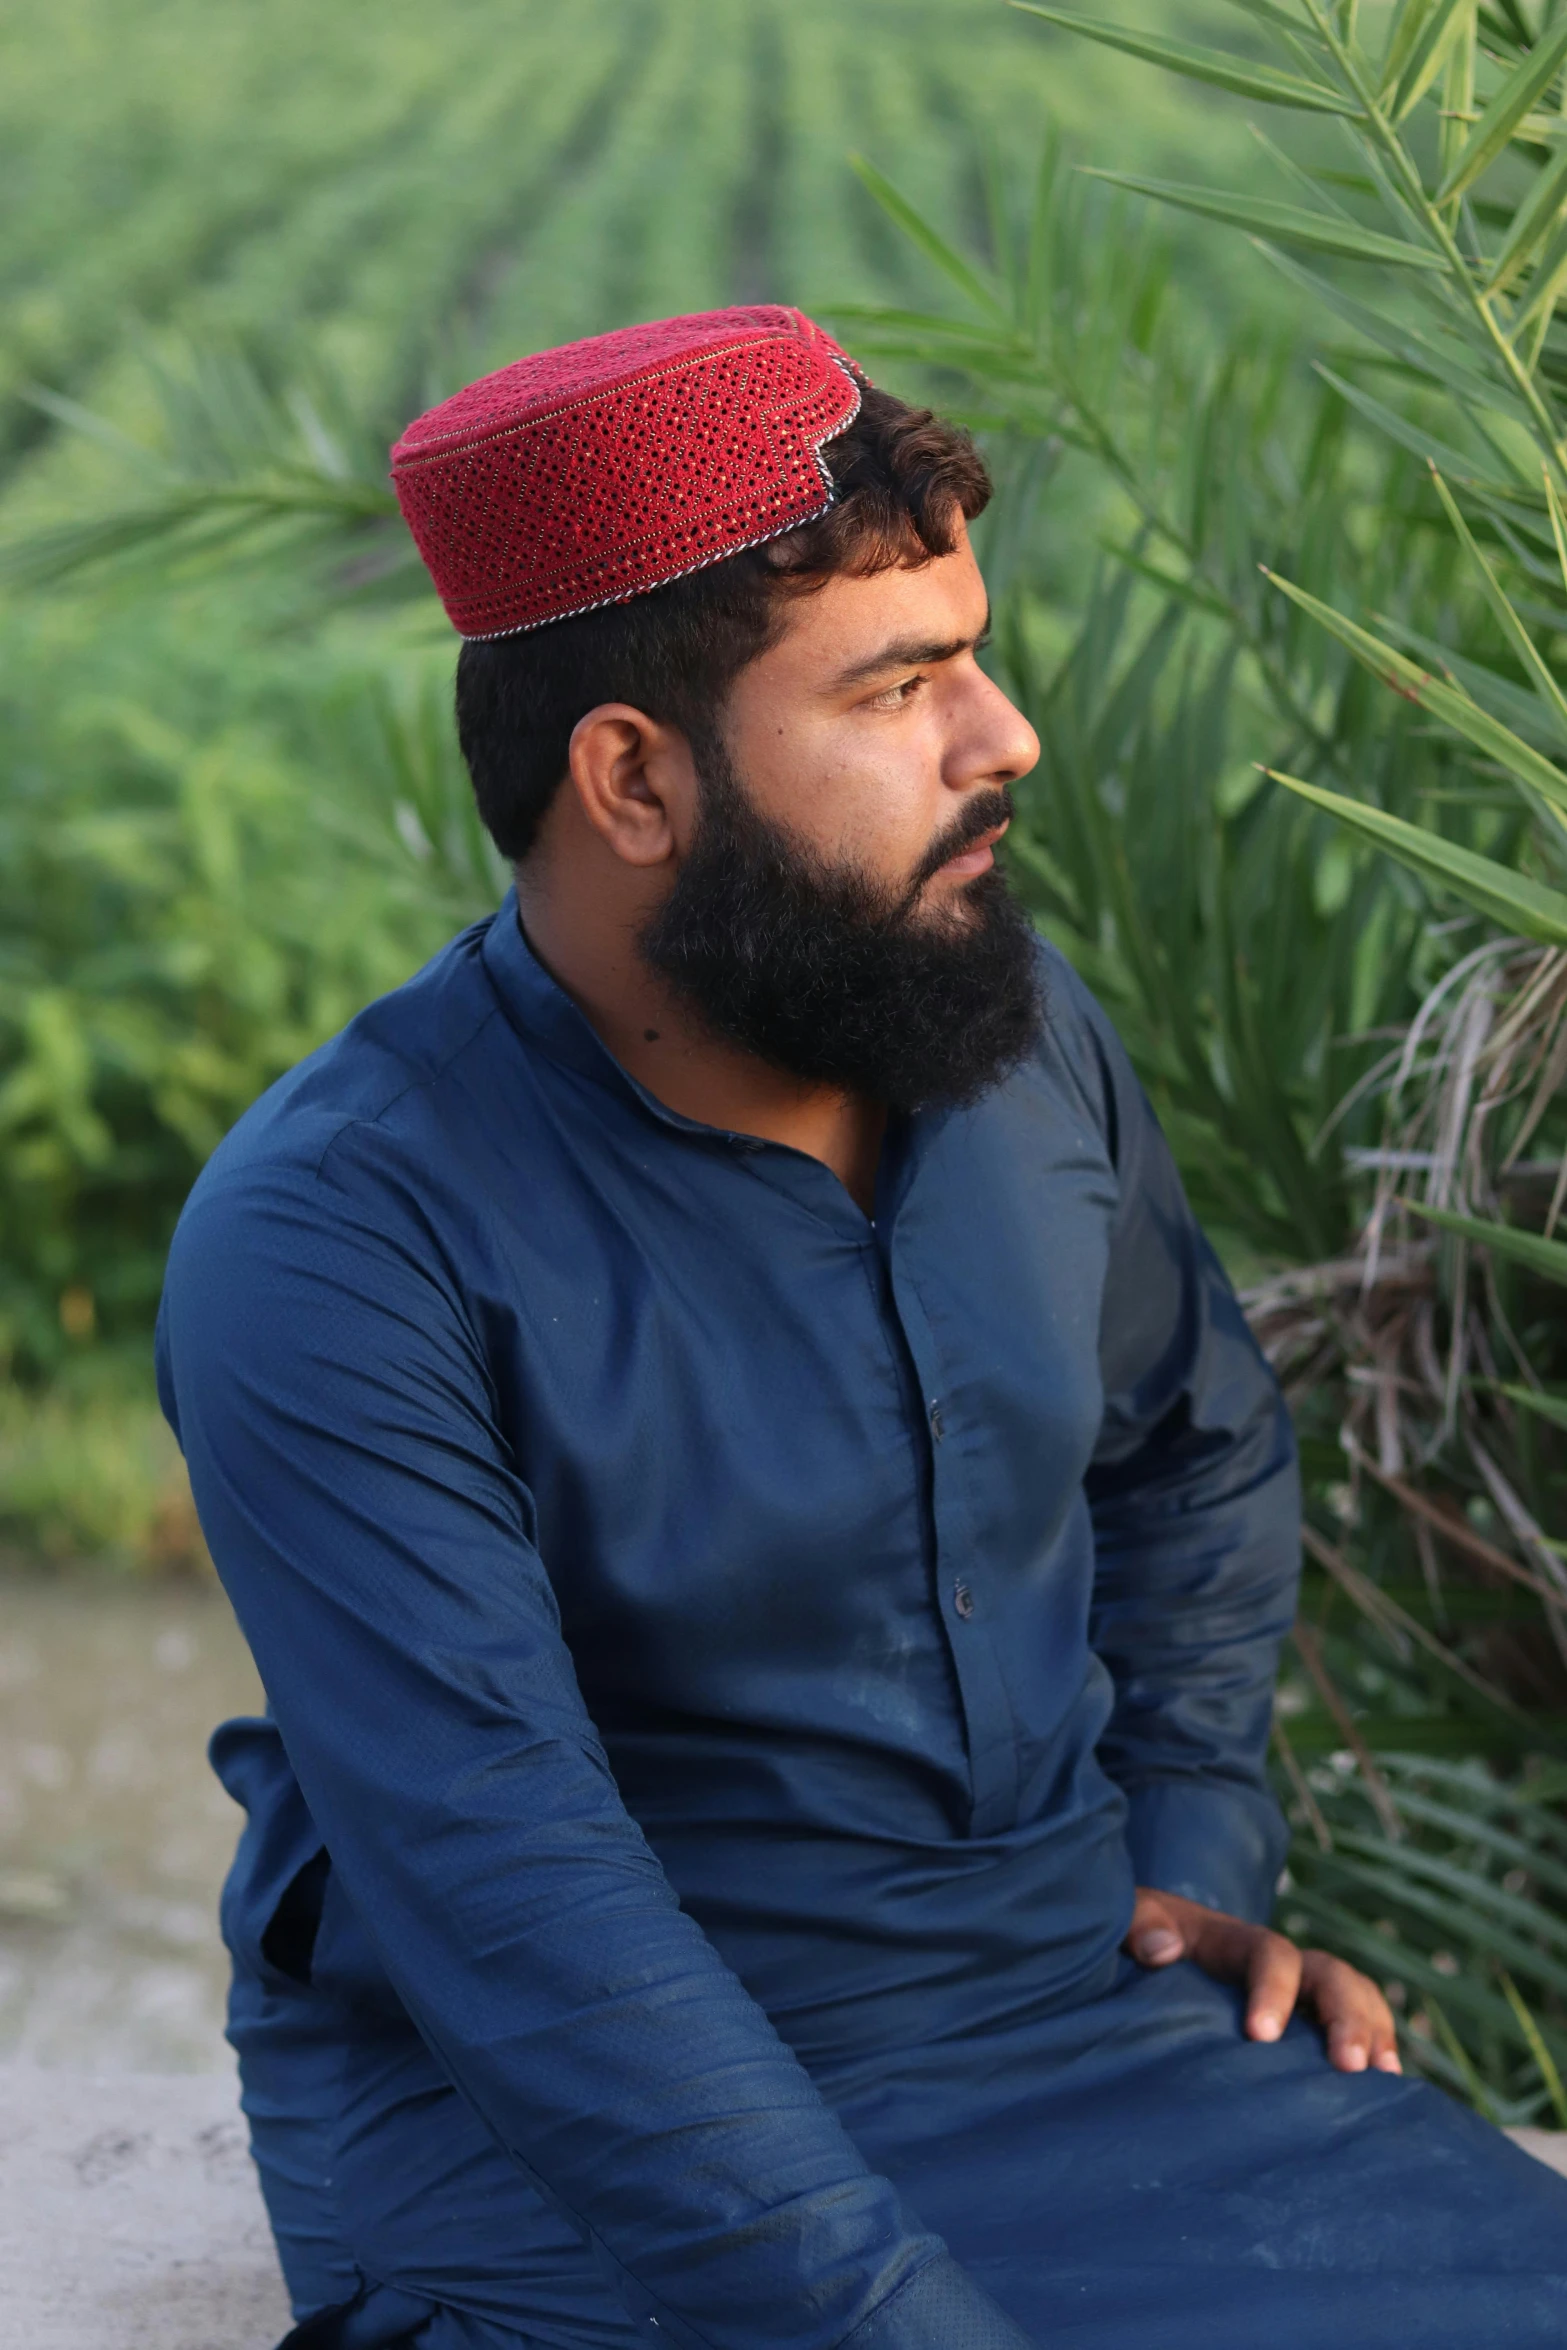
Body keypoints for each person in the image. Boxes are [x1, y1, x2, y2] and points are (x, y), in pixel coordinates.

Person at [157, 307, 1567, 2350]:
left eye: (971, 653)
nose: (1004, 738)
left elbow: (1194, 1453)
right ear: (633, 778)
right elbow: (518, 1907)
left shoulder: (1009, 1033)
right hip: (560, 2145)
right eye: (902, 685)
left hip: (1068, 2018)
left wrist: (1190, 1846)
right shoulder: (337, 1236)